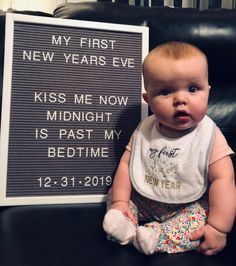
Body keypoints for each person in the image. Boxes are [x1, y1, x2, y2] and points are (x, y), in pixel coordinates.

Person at [103, 41, 236, 256]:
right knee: (116, 195)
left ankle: (156, 237)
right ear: (149, 100)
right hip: (145, 198)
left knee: (203, 217)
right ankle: (124, 225)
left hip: (188, 204)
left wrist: (219, 228)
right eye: (166, 92)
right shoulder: (145, 129)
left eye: (193, 89)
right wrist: (119, 202)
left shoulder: (209, 135)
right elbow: (127, 165)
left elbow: (224, 180)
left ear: (208, 92)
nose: (181, 100)